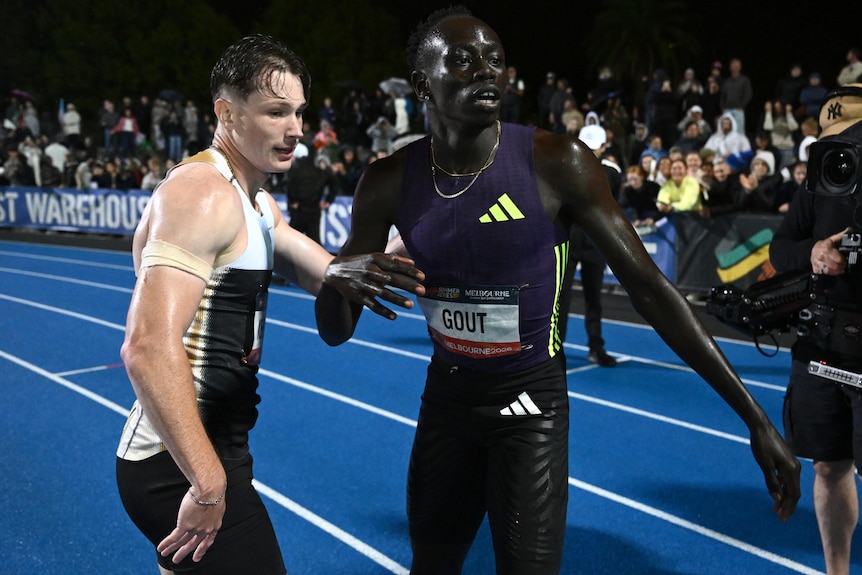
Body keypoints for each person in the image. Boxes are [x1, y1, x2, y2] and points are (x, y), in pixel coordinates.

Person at [314, 7, 800, 574]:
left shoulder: (556, 163)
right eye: (464, 60)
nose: (486, 73)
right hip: (446, 405)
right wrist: (335, 274)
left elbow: (650, 289)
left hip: (530, 408)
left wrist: (756, 419)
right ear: (423, 82)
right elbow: (332, 330)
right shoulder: (388, 180)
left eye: (496, 61)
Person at [115, 33, 422, 575]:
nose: (296, 130)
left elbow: (328, 272)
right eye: (276, 112)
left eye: (299, 112)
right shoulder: (203, 193)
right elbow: (145, 346)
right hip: (180, 464)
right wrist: (209, 486)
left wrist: (406, 246)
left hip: (211, 450)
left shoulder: (253, 201)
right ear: (226, 113)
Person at [769, 84, 862, 575]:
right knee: (827, 463)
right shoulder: (824, 177)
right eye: (832, 141)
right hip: (822, 339)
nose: (840, 150)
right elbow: (779, 248)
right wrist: (813, 253)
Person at [558, 124, 620, 367]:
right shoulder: (566, 168)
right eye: (587, 147)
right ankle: (556, 348)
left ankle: (596, 347)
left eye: (595, 148)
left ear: (604, 148)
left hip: (594, 242)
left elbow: (605, 191)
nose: (591, 152)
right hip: (570, 240)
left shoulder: (611, 172)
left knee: (594, 298)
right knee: (560, 297)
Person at [720, 58, 753, 135]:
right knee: (726, 132)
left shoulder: (744, 80)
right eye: (733, 65)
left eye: (736, 65)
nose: (734, 67)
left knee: (739, 132)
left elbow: (748, 94)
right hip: (727, 110)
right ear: (730, 67)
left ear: (740, 67)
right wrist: (722, 107)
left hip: (738, 110)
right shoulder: (727, 81)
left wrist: (742, 105)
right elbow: (722, 96)